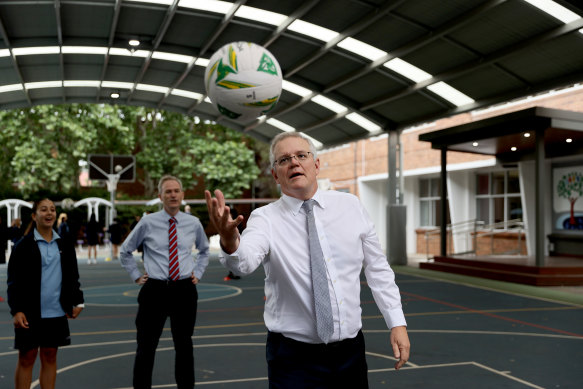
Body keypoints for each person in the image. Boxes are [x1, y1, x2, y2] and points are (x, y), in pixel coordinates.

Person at [205, 132, 410, 388]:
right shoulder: (264, 219)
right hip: (292, 359)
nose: (294, 162)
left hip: (350, 353)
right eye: (284, 159)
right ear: (275, 175)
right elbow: (242, 263)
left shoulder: (351, 206)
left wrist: (397, 322)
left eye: (301, 155)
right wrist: (228, 239)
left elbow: (378, 269)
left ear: (316, 164)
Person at [120, 175, 210, 389]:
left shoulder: (193, 223)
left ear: (182, 195)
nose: (173, 195)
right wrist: (135, 274)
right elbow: (125, 251)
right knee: (146, 347)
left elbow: (204, 250)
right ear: (160, 196)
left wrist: (198, 271)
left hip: (184, 290)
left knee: (184, 346)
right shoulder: (147, 222)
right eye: (168, 191)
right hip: (155, 291)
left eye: (176, 191)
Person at [7, 198, 84, 389]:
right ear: (34, 216)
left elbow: (73, 277)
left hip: (56, 312)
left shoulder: (64, 245)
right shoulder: (22, 246)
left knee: (50, 356)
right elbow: (13, 282)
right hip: (29, 313)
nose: (49, 213)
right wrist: (16, 310)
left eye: (52, 210)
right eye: (43, 210)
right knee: (27, 358)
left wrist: (78, 302)